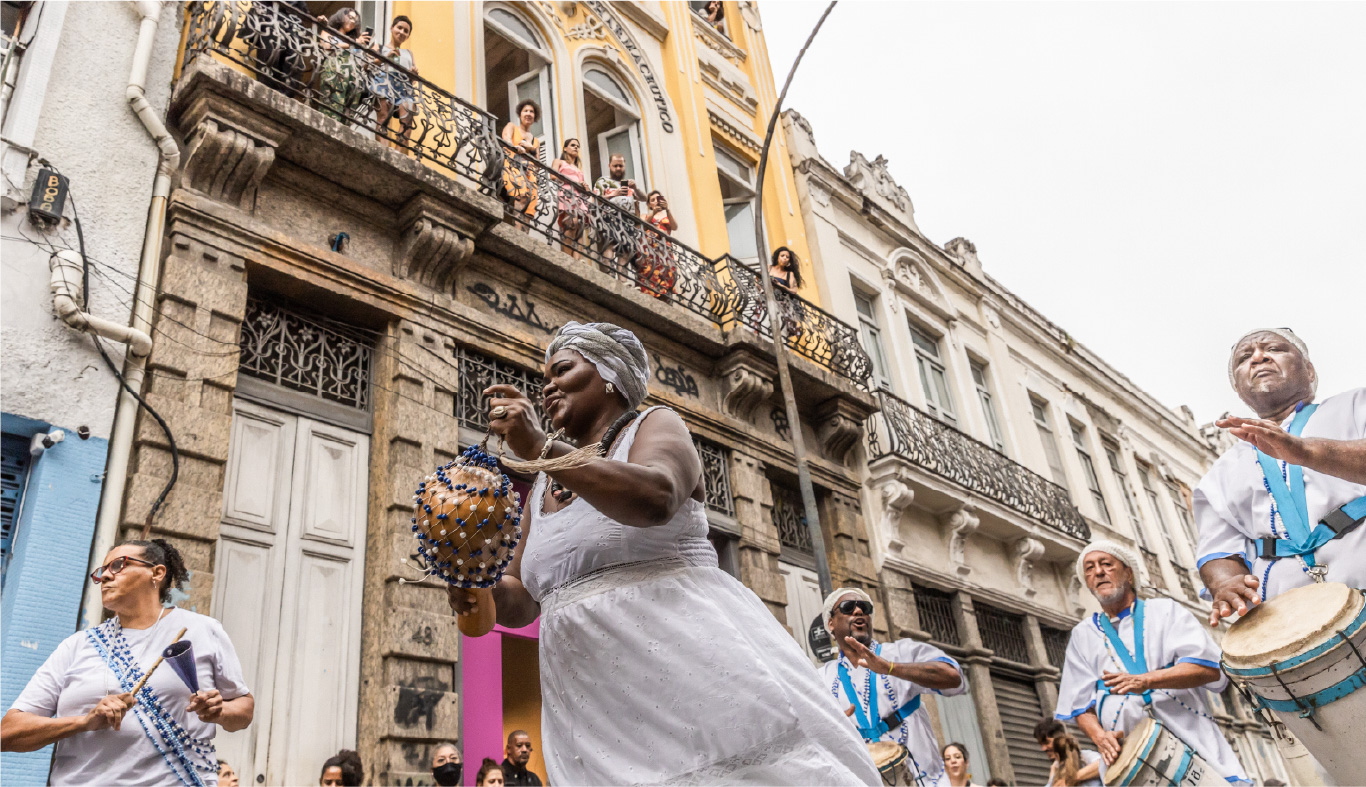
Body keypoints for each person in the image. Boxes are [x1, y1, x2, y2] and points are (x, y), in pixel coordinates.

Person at [449, 321, 879, 785]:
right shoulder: (543, 488)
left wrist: (538, 447)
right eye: (545, 376)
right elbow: (522, 599)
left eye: (563, 369)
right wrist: (478, 578)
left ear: (610, 374)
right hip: (591, 705)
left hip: (683, 673)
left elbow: (654, 498)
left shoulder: (655, 424)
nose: (547, 386)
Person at [1, 539, 253, 785]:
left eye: (118, 565)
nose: (105, 577)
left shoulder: (202, 630)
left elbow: (243, 709)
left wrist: (221, 711)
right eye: (101, 572)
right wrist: (83, 722)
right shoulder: (78, 645)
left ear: (157, 573)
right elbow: (8, 733)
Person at [1195, 328, 1365, 627]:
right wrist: (1225, 584)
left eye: (1274, 348)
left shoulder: (1356, 405)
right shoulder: (1218, 475)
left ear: (1309, 370)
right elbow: (1219, 549)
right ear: (1238, 387)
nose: (1258, 357)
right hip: (1292, 621)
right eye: (1245, 358)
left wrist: (1306, 451)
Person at [1054, 541, 1249, 783]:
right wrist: (1100, 737)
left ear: (1128, 574)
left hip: (1194, 743)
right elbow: (1079, 704)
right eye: (1090, 568)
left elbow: (1208, 669)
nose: (1099, 572)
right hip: (1132, 760)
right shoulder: (1082, 634)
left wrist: (1146, 680)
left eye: (1106, 564)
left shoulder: (1165, 611)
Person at [817, 587, 965, 787]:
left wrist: (891, 668)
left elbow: (953, 677)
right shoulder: (822, 678)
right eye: (848, 607)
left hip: (925, 782)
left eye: (865, 608)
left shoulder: (901, 652)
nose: (859, 611)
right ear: (830, 623)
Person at [371, 16, 418, 150]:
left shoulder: (409, 53)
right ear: (392, 28)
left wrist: (413, 74)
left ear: (408, 35)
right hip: (384, 83)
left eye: (406, 31)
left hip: (404, 88)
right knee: (383, 117)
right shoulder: (379, 47)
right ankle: (383, 150)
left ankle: (397, 155)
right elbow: (367, 64)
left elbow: (413, 80)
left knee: (407, 120)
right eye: (399, 28)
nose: (402, 32)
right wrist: (386, 57)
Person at [316, 8, 371, 122]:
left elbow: (362, 64)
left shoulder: (356, 42)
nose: (352, 21)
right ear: (341, 16)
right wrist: (354, 43)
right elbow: (327, 45)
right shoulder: (329, 32)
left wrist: (371, 57)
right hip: (334, 74)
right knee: (331, 111)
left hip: (352, 82)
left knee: (347, 119)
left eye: (355, 20)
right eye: (350, 17)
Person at [592, 154, 645, 267]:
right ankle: (608, 274)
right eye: (615, 166)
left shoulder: (628, 185)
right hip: (609, 217)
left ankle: (623, 281)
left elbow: (644, 199)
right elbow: (595, 201)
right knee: (610, 245)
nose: (618, 168)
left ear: (624, 166)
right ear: (609, 166)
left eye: (620, 166)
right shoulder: (603, 181)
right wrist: (613, 194)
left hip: (627, 222)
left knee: (626, 251)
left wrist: (635, 188)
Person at [501, 100, 543, 223]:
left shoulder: (536, 141)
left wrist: (531, 149)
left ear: (535, 116)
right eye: (526, 111)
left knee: (530, 208)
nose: (528, 114)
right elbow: (506, 139)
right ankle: (518, 232)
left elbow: (538, 164)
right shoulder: (512, 126)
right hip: (513, 166)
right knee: (522, 196)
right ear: (520, 114)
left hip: (530, 173)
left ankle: (524, 234)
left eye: (531, 111)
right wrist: (515, 147)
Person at [1033, 719, 1100, 787]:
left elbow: (1103, 764)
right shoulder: (1055, 768)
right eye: (1041, 744)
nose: (1043, 748)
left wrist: (1071, 778)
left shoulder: (1085, 757)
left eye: (1047, 743)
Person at [552, 138, 589, 256]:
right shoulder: (559, 162)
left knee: (579, 226)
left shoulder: (578, 169)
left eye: (577, 146)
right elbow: (553, 175)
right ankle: (567, 256)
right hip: (567, 194)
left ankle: (578, 259)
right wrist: (573, 182)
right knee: (570, 223)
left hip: (579, 198)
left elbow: (584, 189)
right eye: (572, 145)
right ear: (565, 148)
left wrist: (585, 187)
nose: (576, 147)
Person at [637, 190, 678, 299]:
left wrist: (668, 210)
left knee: (665, 273)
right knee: (650, 273)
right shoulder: (645, 215)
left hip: (664, 251)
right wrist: (654, 213)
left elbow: (674, 227)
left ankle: (665, 295)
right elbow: (643, 225)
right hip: (650, 250)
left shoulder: (666, 216)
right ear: (649, 204)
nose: (656, 201)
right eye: (653, 200)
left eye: (658, 198)